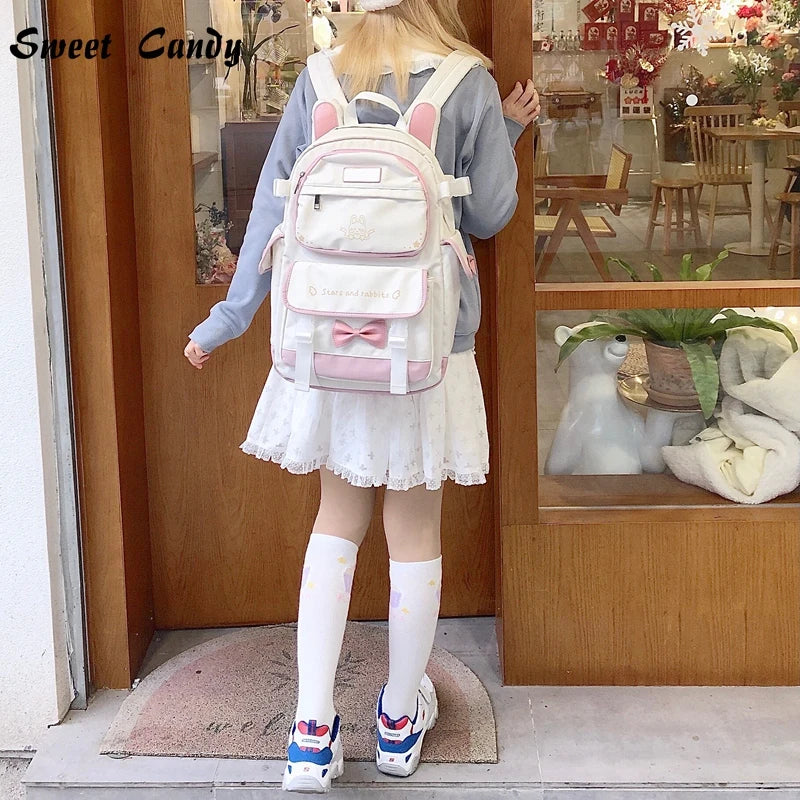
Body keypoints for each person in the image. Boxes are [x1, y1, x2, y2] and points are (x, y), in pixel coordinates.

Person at [184, 0, 539, 792]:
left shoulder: (319, 77)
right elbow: (487, 212)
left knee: (335, 523)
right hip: (427, 349)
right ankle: (397, 723)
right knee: (415, 530)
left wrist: (226, 320)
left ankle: (310, 732)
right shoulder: (466, 82)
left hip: (329, 344)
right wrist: (507, 135)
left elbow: (272, 210)